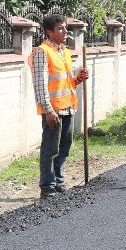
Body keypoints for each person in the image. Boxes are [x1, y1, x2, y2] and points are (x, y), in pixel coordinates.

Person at [28, 15, 89, 199]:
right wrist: (48, 111)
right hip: (53, 111)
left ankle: (59, 181)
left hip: (68, 107)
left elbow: (65, 83)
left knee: (64, 147)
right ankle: (47, 187)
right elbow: (40, 85)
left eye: (65, 28)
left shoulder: (64, 52)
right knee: (50, 149)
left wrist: (78, 79)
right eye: (61, 29)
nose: (65, 32)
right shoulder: (42, 52)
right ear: (49, 32)